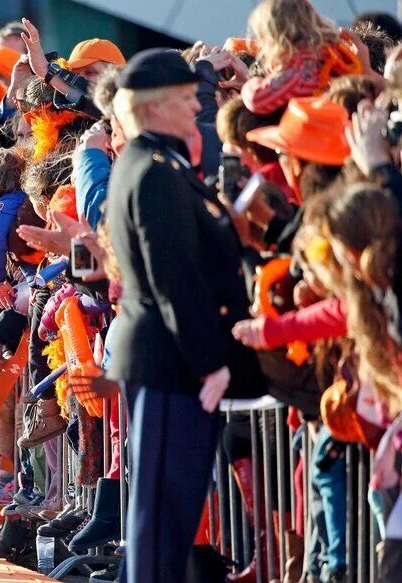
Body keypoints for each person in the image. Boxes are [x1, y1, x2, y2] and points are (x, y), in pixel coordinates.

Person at [105, 49, 263, 582]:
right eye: (185, 98)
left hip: (170, 360)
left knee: (170, 510)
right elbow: (174, 277)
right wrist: (209, 362)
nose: (197, 103)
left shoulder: (159, 163)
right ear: (154, 107)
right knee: (161, 517)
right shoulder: (153, 171)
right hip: (173, 363)